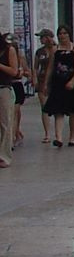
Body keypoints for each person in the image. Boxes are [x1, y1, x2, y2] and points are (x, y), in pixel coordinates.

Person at [42, 26, 74, 147]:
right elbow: (50, 67)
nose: (62, 36)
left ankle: (72, 137)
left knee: (73, 111)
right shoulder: (55, 50)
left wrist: (73, 81)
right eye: (60, 33)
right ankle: (59, 137)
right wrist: (46, 83)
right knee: (58, 110)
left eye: (64, 33)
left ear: (69, 34)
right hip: (58, 83)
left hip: (72, 83)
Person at [0, 31, 21, 167]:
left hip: (3, 88)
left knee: (5, 123)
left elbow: (14, 71)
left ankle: (4, 157)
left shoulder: (9, 50)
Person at [33, 29, 55, 145]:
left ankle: (57, 131)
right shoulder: (39, 52)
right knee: (44, 107)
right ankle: (47, 133)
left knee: (56, 105)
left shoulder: (56, 49)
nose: (40, 39)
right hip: (42, 80)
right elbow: (36, 66)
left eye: (42, 37)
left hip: (55, 80)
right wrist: (34, 78)